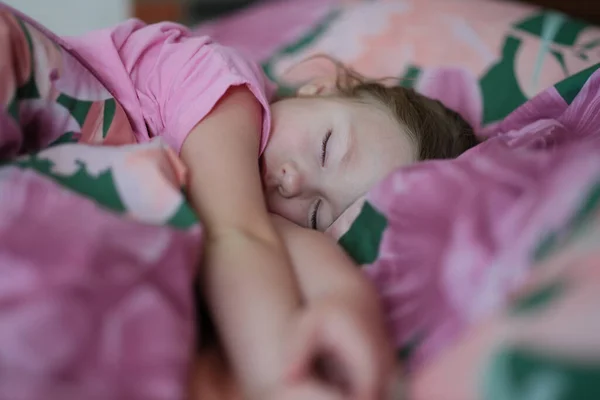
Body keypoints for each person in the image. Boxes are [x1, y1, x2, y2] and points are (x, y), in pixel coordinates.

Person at [2, 7, 478, 399]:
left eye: (319, 211)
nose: (295, 183)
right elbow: (240, 234)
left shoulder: (248, 193)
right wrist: (276, 378)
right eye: (328, 147)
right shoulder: (227, 92)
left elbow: (268, 237)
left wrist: (344, 300)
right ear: (319, 86)